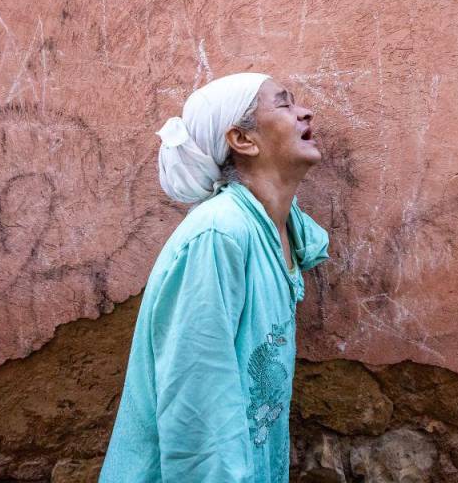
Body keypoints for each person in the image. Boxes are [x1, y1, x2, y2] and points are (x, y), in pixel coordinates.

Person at [100, 72, 329, 482]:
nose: (304, 111)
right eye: (284, 104)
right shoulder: (219, 234)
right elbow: (198, 404)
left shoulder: (278, 228)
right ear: (243, 140)